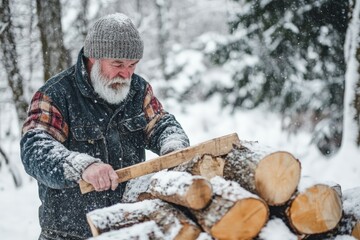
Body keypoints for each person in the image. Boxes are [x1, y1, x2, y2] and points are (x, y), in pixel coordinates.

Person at [20, 13, 189, 240]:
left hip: (129, 228)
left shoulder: (138, 90)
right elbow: (35, 149)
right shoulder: (56, 94)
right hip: (69, 233)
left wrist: (173, 145)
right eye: (117, 64)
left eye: (132, 65)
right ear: (93, 57)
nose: (126, 74)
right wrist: (82, 166)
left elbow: (161, 124)